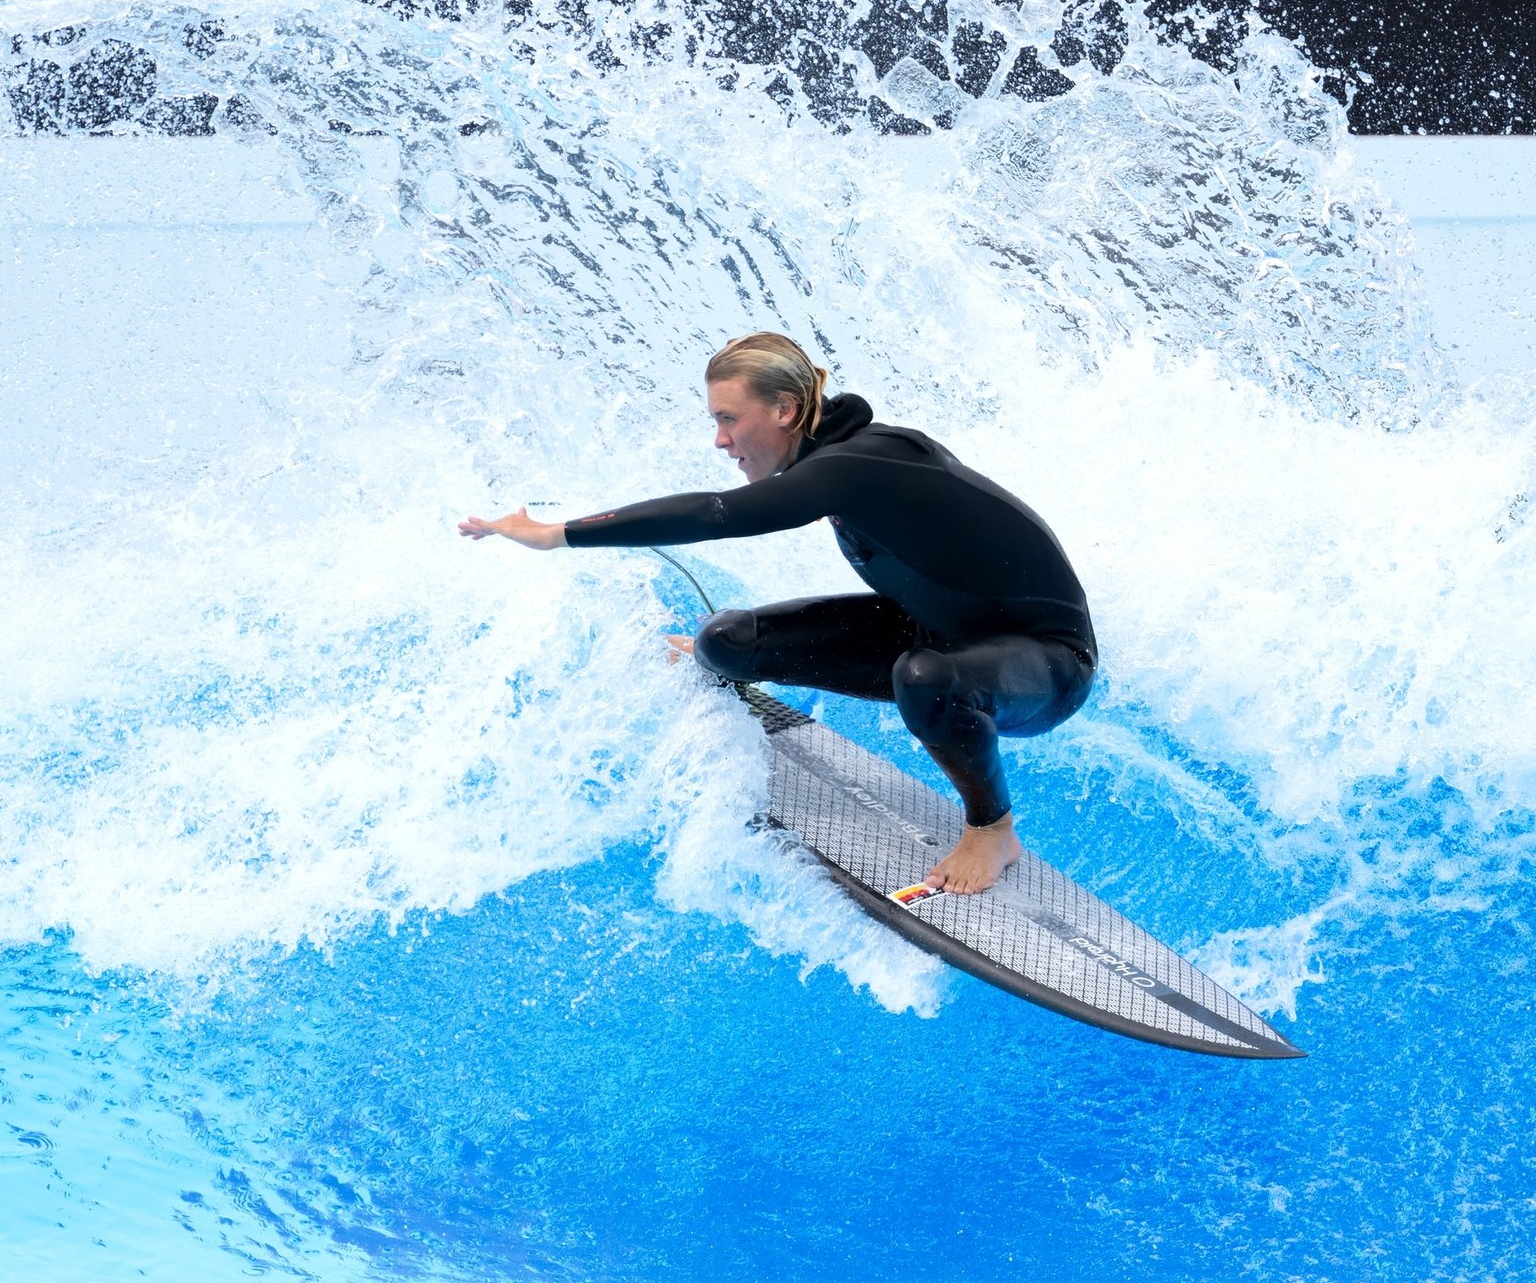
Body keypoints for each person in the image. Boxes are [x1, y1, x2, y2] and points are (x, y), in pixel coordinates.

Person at [459, 332, 1096, 894]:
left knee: (927, 678)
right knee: (727, 642)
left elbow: (719, 513)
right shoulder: (835, 462)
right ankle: (717, 652)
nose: (721, 440)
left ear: (785, 410)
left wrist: (553, 533)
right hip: (938, 634)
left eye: (729, 419)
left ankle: (993, 829)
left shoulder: (863, 462)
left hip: (1043, 663)